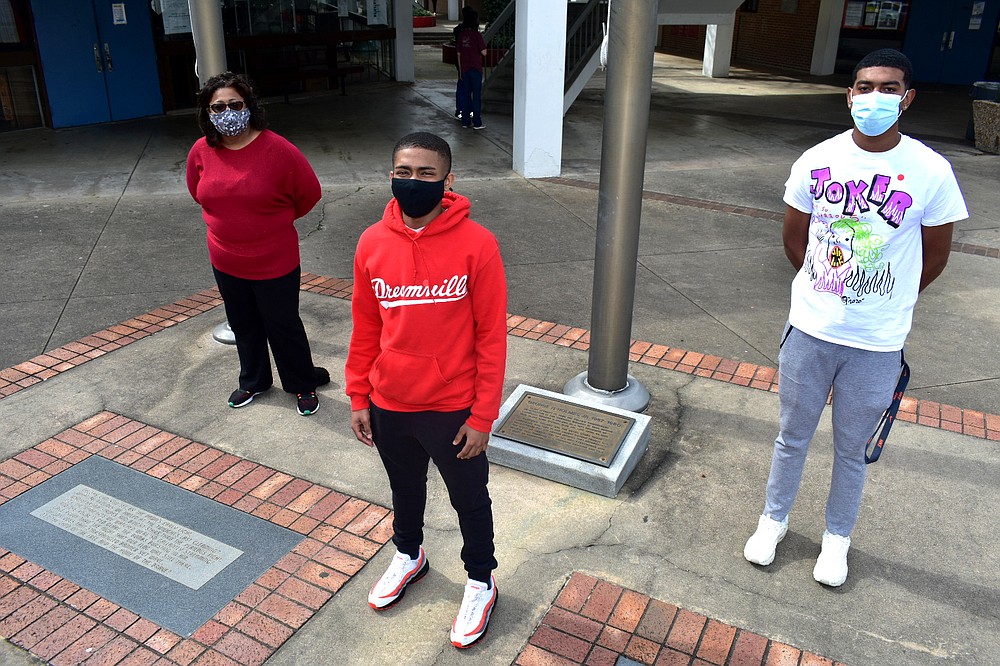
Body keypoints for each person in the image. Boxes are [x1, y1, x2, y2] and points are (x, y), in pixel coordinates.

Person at [743, 49, 969, 587]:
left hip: (877, 342)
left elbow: (936, 255)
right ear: (849, 95)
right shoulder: (816, 160)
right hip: (810, 331)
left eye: (888, 88)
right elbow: (793, 238)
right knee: (791, 437)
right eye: (864, 87)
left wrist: (884, 304)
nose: (874, 97)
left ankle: (836, 540)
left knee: (852, 449)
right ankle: (772, 523)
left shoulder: (931, 170)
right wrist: (828, 290)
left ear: (907, 98)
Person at [346, 132, 507, 648]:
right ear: (391, 174)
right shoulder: (372, 242)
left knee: (469, 499)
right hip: (389, 402)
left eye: (425, 174)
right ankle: (409, 554)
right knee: (405, 489)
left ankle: (481, 580)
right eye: (403, 172)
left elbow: (491, 337)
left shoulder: (477, 244)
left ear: (448, 181)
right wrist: (358, 395)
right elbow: (365, 324)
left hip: (451, 407)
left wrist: (483, 417)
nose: (412, 182)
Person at [186, 71, 329, 416]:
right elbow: (197, 191)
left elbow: (308, 195)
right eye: (217, 107)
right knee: (243, 322)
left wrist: (270, 223)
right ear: (207, 113)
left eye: (235, 104)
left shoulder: (278, 149)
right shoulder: (201, 151)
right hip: (225, 259)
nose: (227, 113)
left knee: (283, 325)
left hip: (274, 260)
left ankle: (301, 382)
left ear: (249, 105)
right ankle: (253, 380)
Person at [454, 7, 487, 130]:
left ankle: (465, 121)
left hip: (465, 70)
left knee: (466, 96)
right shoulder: (477, 35)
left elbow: (458, 54)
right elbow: (484, 52)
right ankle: (477, 123)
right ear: (475, 21)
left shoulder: (461, 35)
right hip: (476, 69)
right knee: (476, 96)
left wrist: (461, 71)